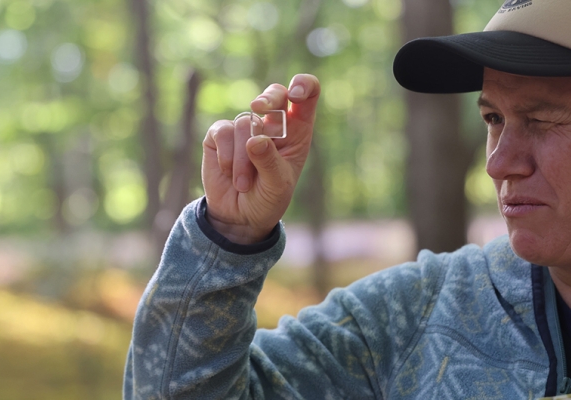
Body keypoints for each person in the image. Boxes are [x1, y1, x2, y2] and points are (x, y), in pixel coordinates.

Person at [123, 0, 571, 398]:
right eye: (493, 117)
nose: (498, 163)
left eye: (543, 119)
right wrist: (229, 238)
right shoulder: (419, 313)